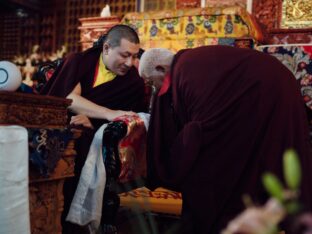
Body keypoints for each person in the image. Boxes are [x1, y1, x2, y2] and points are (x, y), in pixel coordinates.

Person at [139, 46, 312, 234]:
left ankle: (223, 222)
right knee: (267, 151)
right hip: (279, 82)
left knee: (207, 172)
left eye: (150, 82)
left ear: (160, 68)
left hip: (267, 89)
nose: (153, 88)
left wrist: (176, 161)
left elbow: (199, 133)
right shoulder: (188, 62)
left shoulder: (184, 72)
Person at [41, 24, 145, 233]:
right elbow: (67, 98)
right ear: (106, 48)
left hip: (95, 139)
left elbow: (131, 119)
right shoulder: (79, 61)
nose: (129, 63)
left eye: (134, 57)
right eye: (124, 55)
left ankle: (73, 225)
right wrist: (106, 113)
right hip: (59, 127)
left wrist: (96, 121)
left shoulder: (133, 82)